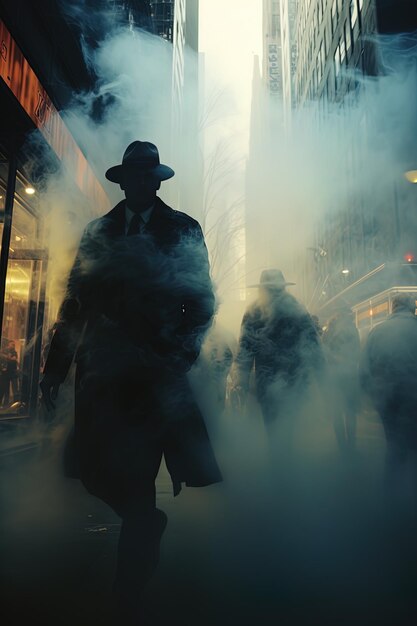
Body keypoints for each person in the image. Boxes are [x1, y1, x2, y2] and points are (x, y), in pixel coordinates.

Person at [40, 140, 222, 621]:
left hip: (154, 378)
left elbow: (200, 299)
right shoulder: (98, 231)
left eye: (149, 175)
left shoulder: (183, 228)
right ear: (123, 182)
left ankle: (127, 592)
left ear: (158, 180)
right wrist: (54, 370)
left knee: (138, 479)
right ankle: (143, 530)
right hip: (101, 376)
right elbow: (75, 303)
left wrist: (179, 352)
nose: (142, 183)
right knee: (96, 473)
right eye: (135, 176)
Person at [233, 269, 323, 432]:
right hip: (289, 381)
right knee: (285, 429)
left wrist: (242, 382)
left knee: (276, 430)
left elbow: (245, 351)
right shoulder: (296, 308)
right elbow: (313, 343)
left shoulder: (255, 311)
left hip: (276, 382)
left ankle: (281, 454)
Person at [360, 294, 417, 503]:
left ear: (393, 308)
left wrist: (370, 396)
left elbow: (364, 369)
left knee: (394, 446)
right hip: (413, 396)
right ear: (412, 308)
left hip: (388, 398)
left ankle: (391, 500)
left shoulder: (377, 332)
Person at [322, 307, 361, 453]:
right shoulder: (352, 329)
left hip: (333, 376)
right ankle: (351, 445)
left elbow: (323, 351)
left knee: (337, 412)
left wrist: (333, 360)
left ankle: (342, 447)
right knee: (350, 411)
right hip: (349, 375)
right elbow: (357, 351)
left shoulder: (328, 331)